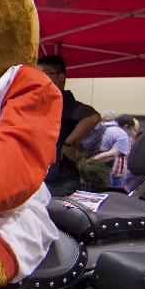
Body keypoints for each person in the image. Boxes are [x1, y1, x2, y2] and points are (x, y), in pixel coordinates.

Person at [38, 54, 101, 197]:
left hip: (62, 179)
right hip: (43, 177)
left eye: (48, 73)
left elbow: (93, 116)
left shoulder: (64, 101)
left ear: (61, 77)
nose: (42, 78)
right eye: (39, 74)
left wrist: (68, 142)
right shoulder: (42, 102)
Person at [83, 113, 136, 188]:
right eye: (131, 129)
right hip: (101, 168)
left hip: (85, 166)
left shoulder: (102, 126)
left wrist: (84, 162)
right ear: (126, 126)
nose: (131, 132)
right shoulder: (122, 134)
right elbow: (112, 154)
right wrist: (90, 161)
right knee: (106, 195)